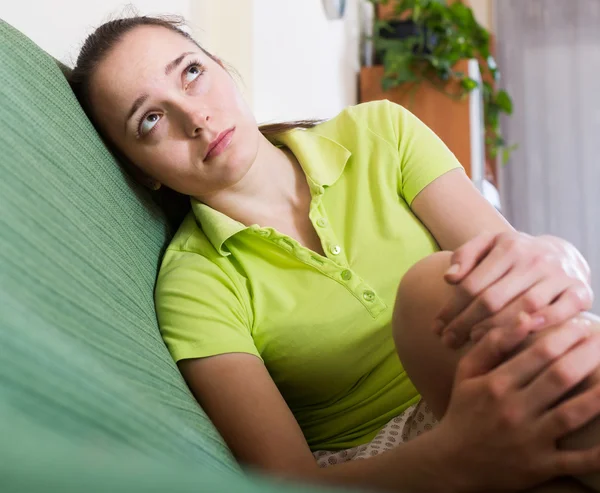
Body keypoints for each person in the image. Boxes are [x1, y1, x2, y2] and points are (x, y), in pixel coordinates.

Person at [69, 14, 600, 493]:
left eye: (190, 73)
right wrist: (459, 455)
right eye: (151, 121)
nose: (196, 119)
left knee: (459, 292)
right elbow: (286, 482)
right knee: (430, 294)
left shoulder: (379, 132)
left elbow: (508, 264)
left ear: (221, 68)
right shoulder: (194, 284)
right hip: (395, 464)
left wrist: (558, 257)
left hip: (500, 369)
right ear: (142, 172)